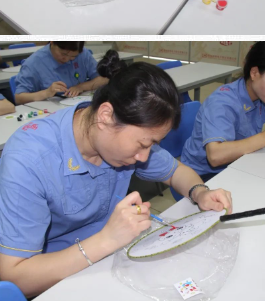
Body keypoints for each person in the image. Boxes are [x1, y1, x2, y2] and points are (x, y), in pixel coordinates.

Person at [0, 50, 232, 298]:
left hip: (114, 256)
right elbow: (15, 276)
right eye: (143, 144)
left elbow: (176, 171)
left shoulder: (122, 137)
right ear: (105, 116)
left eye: (151, 145)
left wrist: (200, 192)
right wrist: (107, 240)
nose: (144, 156)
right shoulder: (28, 160)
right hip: (59, 275)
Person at [181, 42, 265, 179]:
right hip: (204, 174)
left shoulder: (262, 96)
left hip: (239, 163)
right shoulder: (222, 103)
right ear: (254, 73)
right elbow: (215, 156)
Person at [14, 42, 108, 105]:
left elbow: (104, 79)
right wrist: (46, 93)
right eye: (63, 54)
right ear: (52, 42)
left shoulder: (83, 54)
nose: (67, 59)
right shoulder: (33, 63)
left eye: (73, 56)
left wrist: (81, 87)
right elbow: (19, 98)